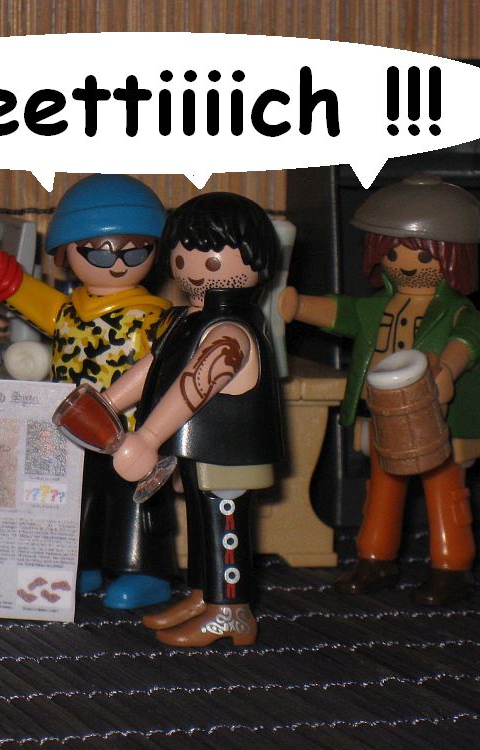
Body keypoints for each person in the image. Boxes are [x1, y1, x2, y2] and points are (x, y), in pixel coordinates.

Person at [0, 174, 178, 609]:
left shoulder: (157, 319)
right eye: (98, 252)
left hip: (134, 434)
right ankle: (83, 561)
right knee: (79, 498)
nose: (117, 263)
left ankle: (145, 570)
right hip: (75, 433)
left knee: (136, 503)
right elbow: (23, 291)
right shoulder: (69, 313)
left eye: (136, 250)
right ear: (66, 253)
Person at [279, 175, 480, 606]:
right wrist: (298, 305)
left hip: (440, 420)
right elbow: (342, 312)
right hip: (386, 413)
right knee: (381, 490)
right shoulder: (378, 307)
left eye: (422, 255)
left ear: (451, 257)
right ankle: (375, 558)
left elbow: (469, 338)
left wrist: (447, 370)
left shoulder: (457, 311)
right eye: (393, 253)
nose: (405, 264)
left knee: (445, 493)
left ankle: (452, 566)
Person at [98, 192, 283, 646]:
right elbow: (153, 368)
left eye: (211, 256)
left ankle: (231, 611)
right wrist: (108, 402)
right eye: (183, 256)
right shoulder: (186, 319)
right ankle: (205, 595)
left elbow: (194, 386)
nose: (194, 267)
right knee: (203, 524)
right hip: (199, 449)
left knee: (224, 525)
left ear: (256, 259)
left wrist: (147, 437)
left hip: (227, 450)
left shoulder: (230, 330)